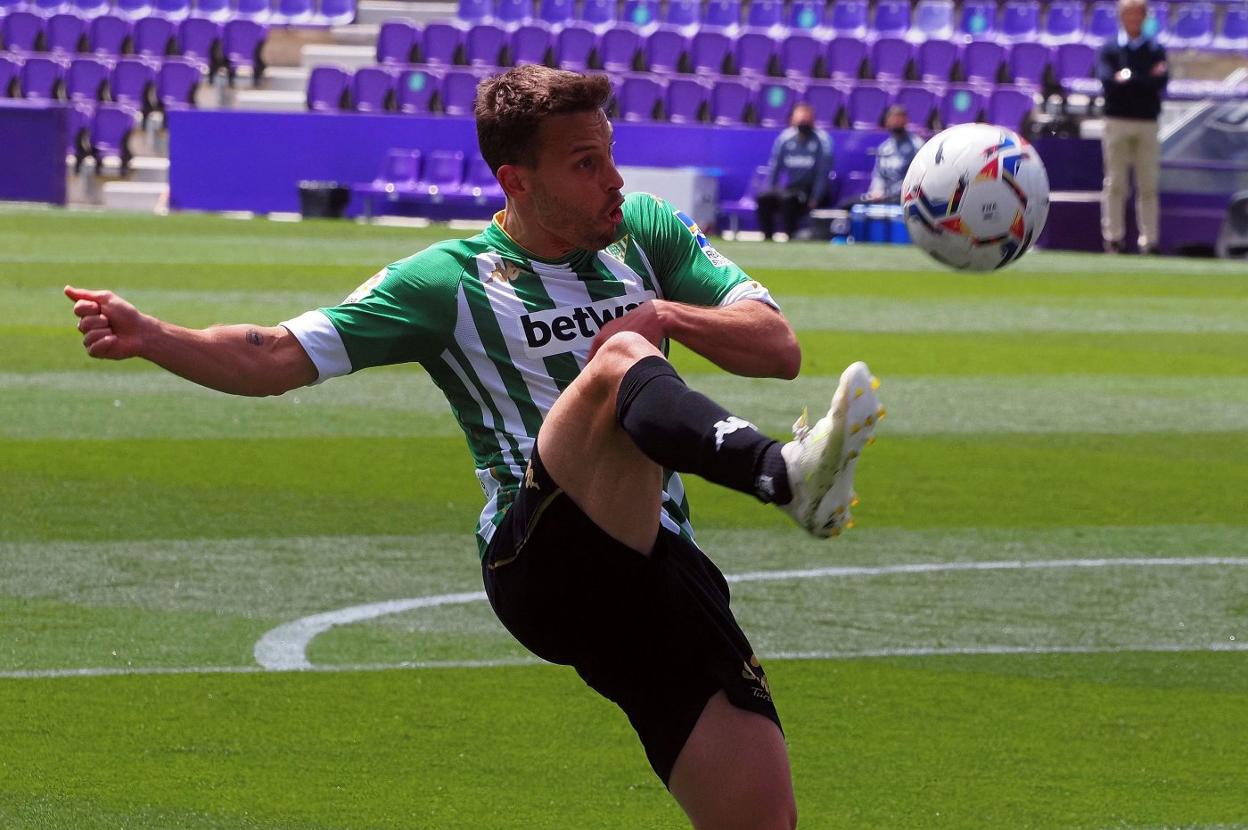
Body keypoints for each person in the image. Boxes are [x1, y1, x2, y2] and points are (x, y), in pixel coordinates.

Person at [65, 65, 884, 830]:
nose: (616, 182)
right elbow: (275, 355)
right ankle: (783, 473)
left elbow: (777, 347)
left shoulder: (646, 234)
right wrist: (154, 336)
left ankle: (777, 477)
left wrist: (669, 315)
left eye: (611, 156)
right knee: (621, 359)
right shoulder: (446, 280)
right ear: (515, 181)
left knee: (762, 815)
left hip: (653, 565)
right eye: (586, 164)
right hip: (540, 556)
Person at [1096, 0, 1168, 254]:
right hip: (1117, 121)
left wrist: (1129, 79)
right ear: (1121, 17)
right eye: (1129, 14)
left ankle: (1149, 240)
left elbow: (1158, 83)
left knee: (1147, 184)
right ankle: (1113, 238)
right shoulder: (1110, 48)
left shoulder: (1155, 48)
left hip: (1147, 122)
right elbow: (1108, 81)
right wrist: (1143, 79)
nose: (1134, 20)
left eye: (1138, 15)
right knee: (1115, 183)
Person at [755, 101, 834, 241]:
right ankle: (767, 237)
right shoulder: (785, 139)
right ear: (792, 120)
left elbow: (823, 174)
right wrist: (771, 189)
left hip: (809, 191)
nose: (803, 123)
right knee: (764, 198)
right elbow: (775, 167)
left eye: (806, 119)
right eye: (800, 119)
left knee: (788, 200)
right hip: (791, 188)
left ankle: (790, 237)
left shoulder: (822, 141)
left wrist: (815, 198)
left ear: (812, 121)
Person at [861, 106, 924, 205]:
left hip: (904, 197)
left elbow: (914, 179)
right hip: (880, 197)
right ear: (887, 121)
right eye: (893, 118)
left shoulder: (917, 146)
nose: (896, 122)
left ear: (905, 121)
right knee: (848, 205)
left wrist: (887, 193)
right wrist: (876, 191)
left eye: (899, 119)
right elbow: (878, 175)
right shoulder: (884, 148)